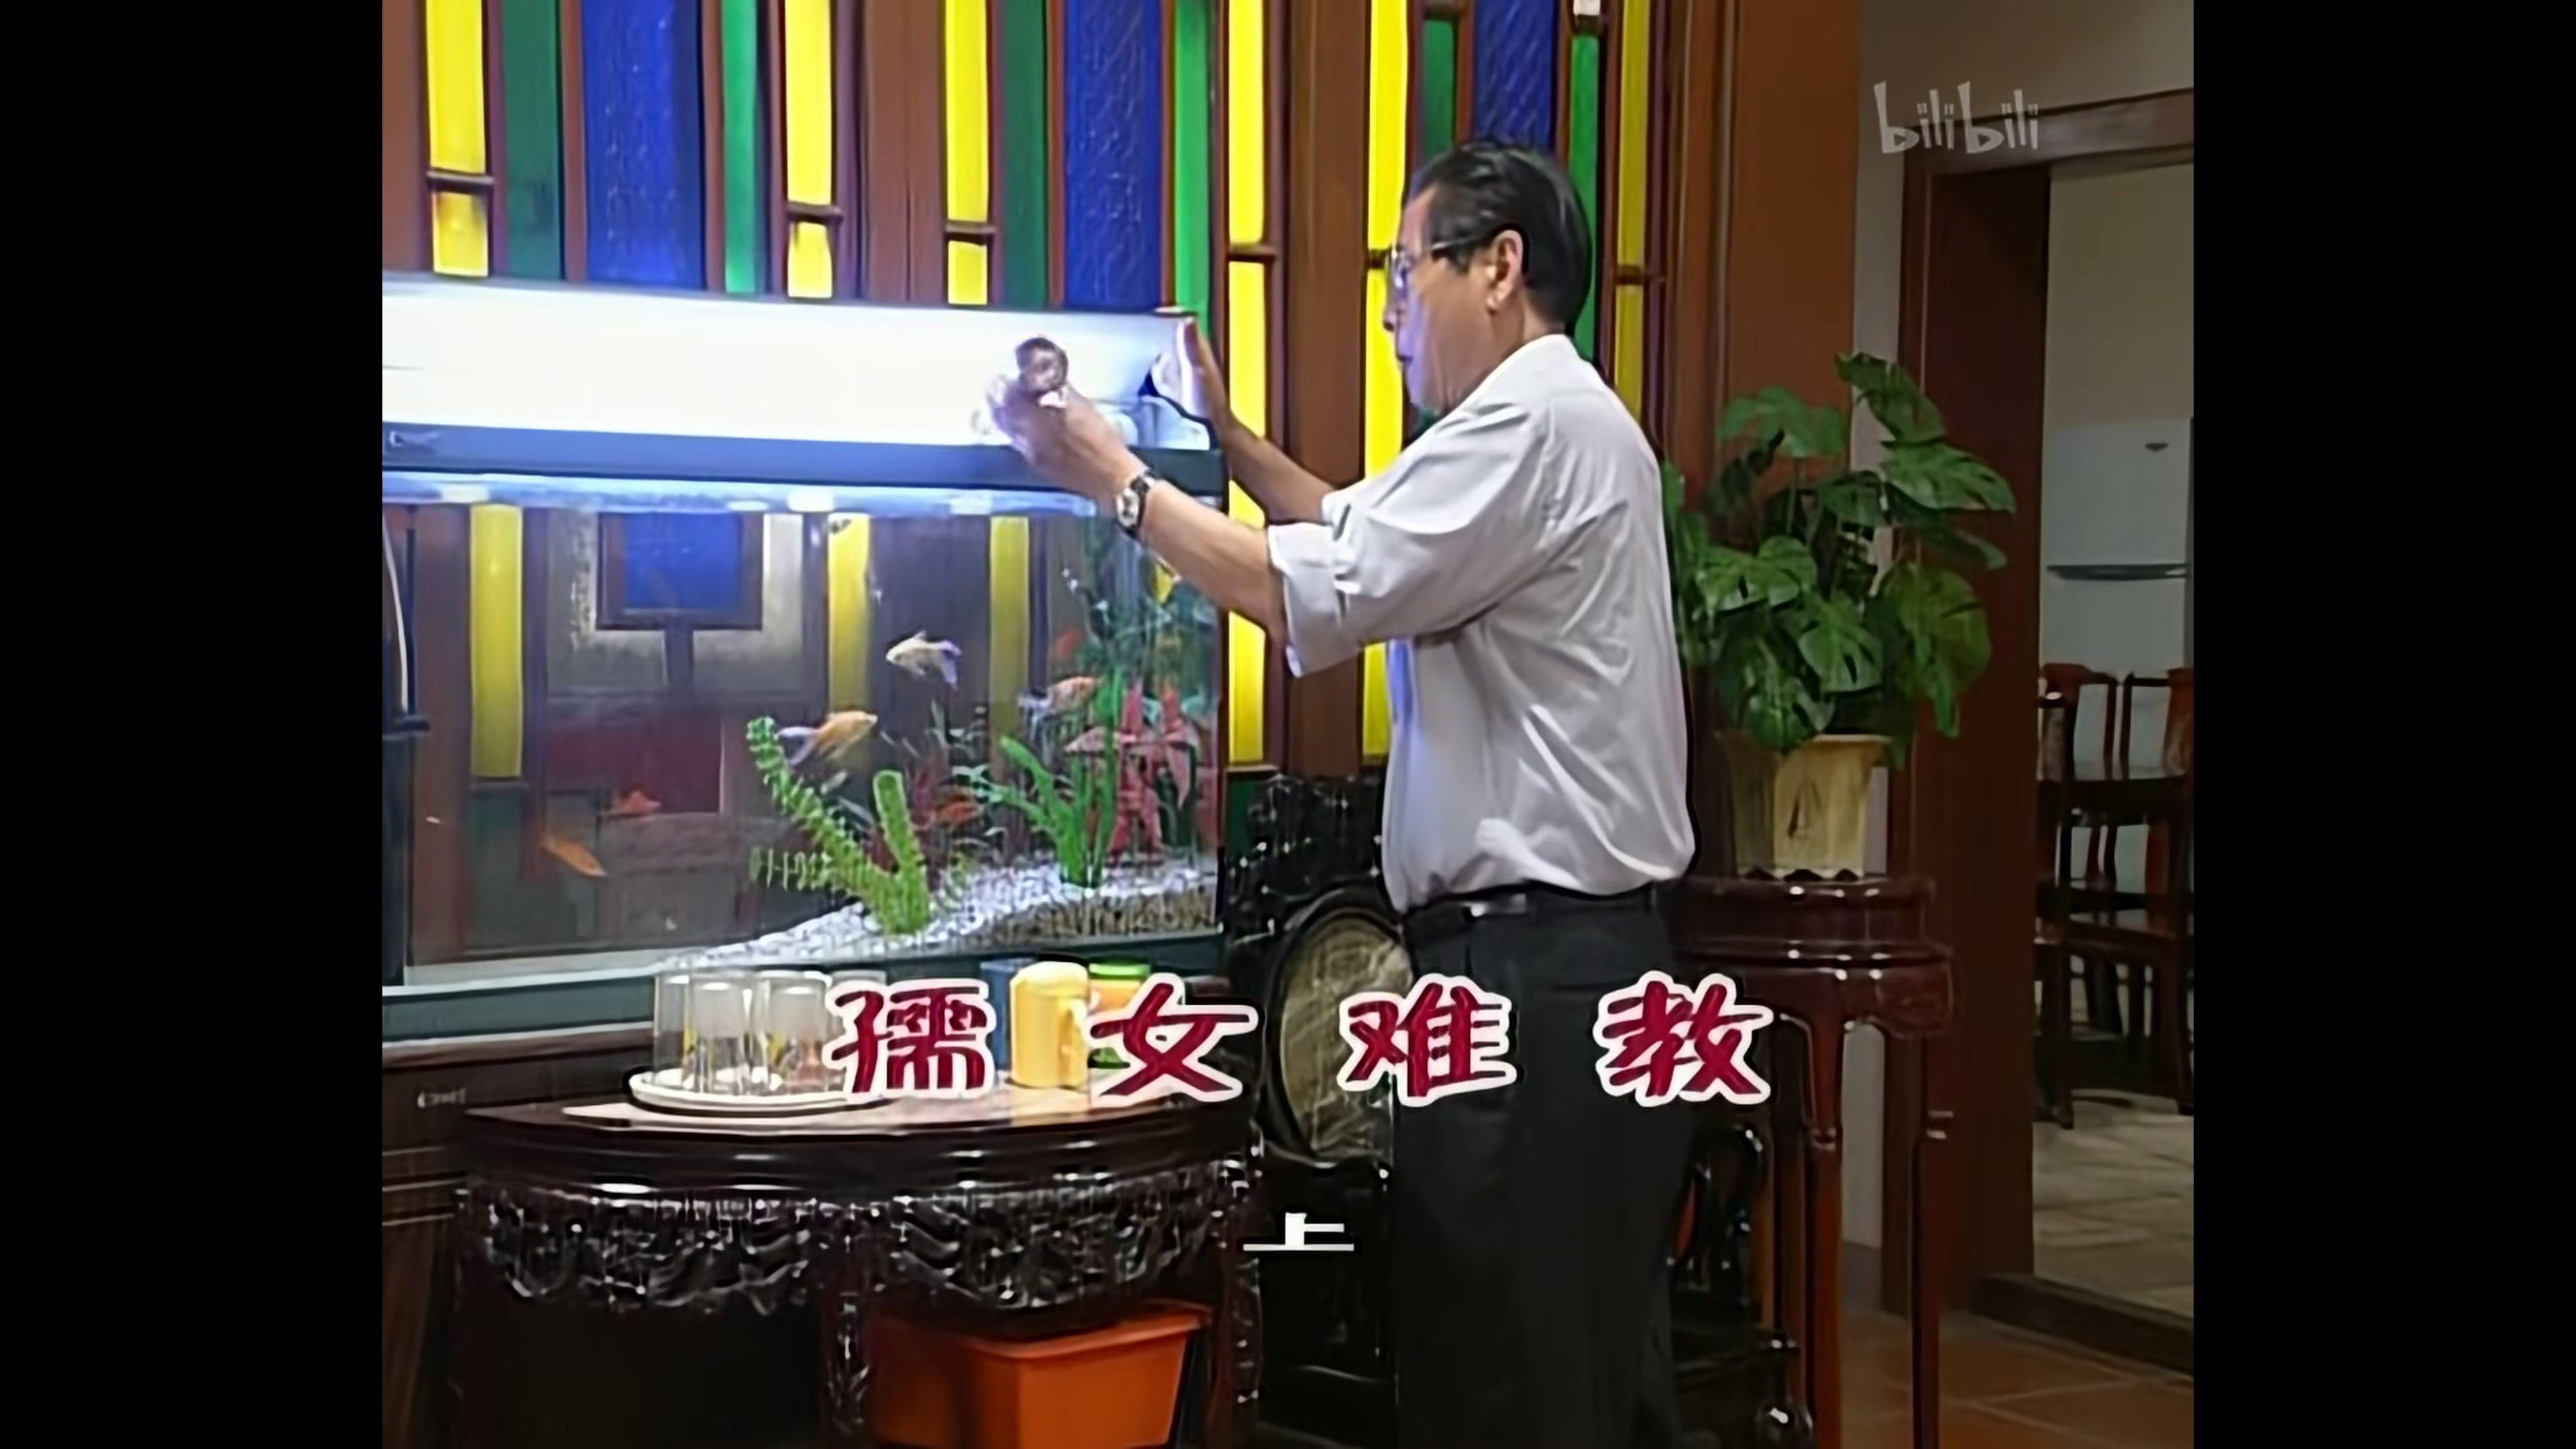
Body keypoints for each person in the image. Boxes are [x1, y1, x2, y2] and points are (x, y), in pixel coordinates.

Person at [990, 139, 1696, 1449]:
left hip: (1536, 980)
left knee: (1515, 1384)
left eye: (1403, 271)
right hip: (1559, 972)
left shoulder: (1531, 423)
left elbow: (1302, 588)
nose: (1389, 313)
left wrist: (1113, 479)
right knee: (1553, 1360)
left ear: (1500, 268)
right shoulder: (1550, 425)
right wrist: (1221, 435)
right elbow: (1352, 533)